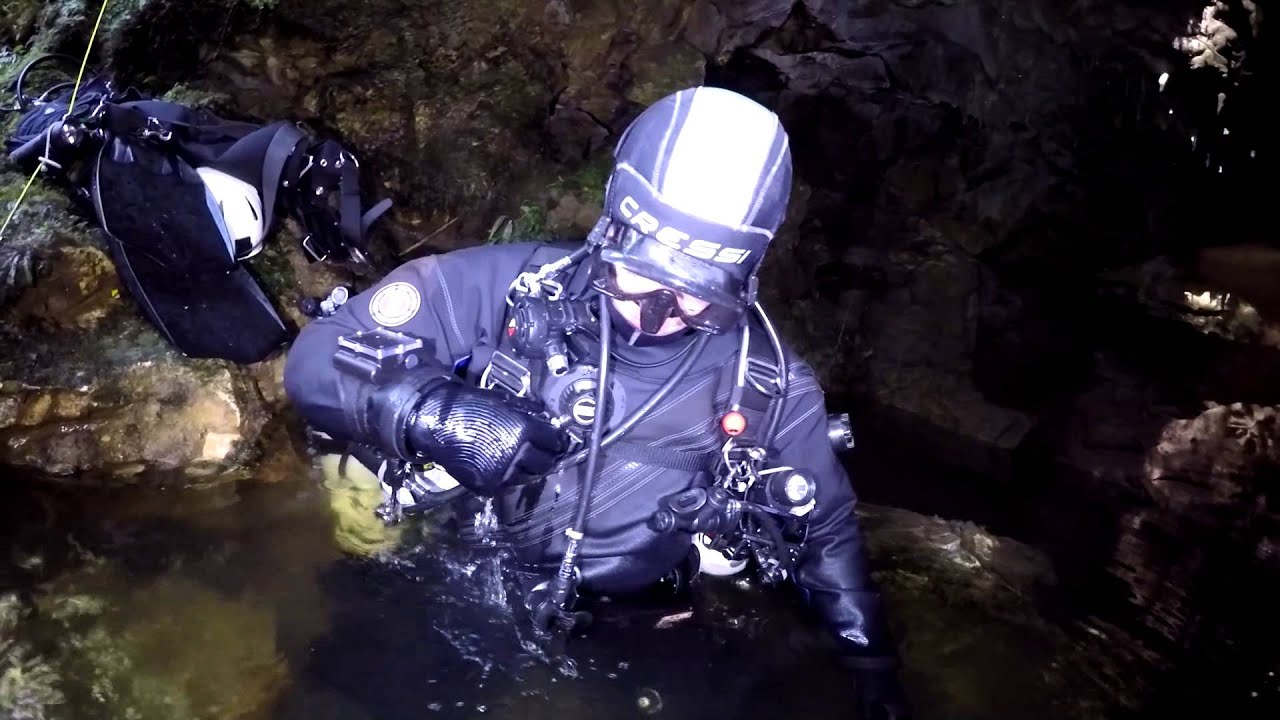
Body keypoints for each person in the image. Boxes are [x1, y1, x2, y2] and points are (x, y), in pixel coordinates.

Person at [283, 85, 911, 719]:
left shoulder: (768, 383)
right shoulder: (502, 289)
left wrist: (871, 666)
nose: (660, 310)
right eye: (641, 270)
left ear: (744, 278)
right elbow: (318, 357)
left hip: (636, 619)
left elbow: (824, 532)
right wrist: (433, 412)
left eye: (699, 290)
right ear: (611, 223)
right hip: (449, 576)